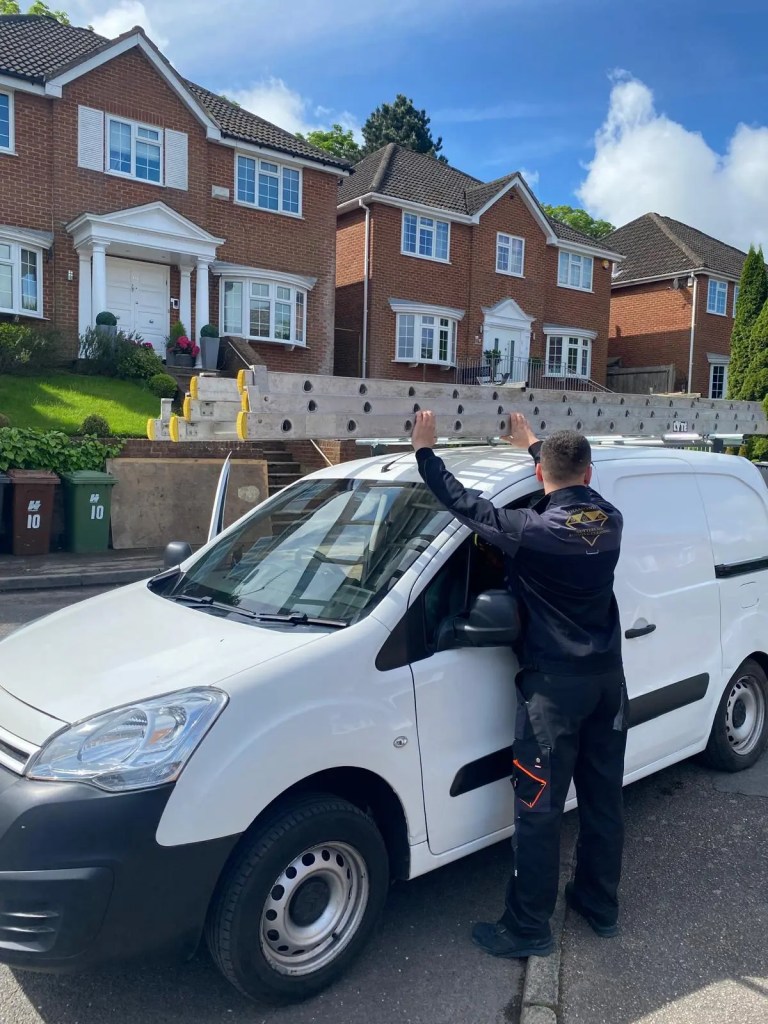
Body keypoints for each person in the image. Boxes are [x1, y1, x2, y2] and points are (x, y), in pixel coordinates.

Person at [410, 409, 627, 960]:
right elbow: (564, 481)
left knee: (539, 810)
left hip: (553, 694)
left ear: (538, 477)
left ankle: (528, 928)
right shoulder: (611, 519)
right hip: (607, 685)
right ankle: (599, 905)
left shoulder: (532, 531)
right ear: (590, 473)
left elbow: (467, 506)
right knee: (603, 799)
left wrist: (425, 454)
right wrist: (535, 445)